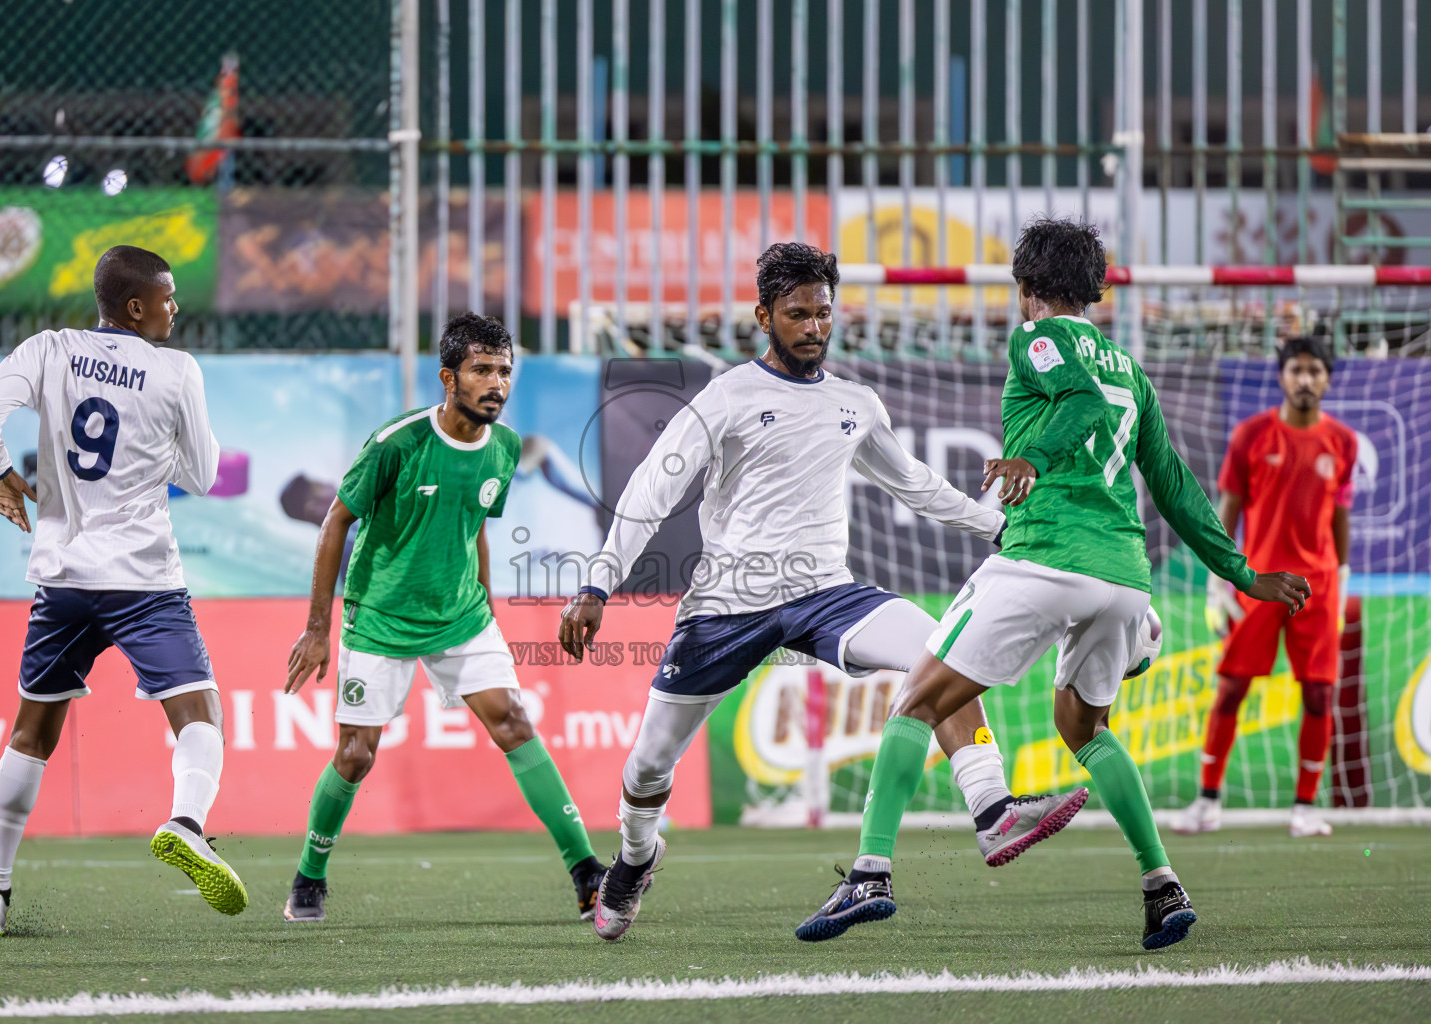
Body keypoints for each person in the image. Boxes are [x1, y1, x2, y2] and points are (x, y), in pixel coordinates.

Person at [793, 217, 1311, 951]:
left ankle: (870, 873)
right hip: (1127, 579)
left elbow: (1079, 402)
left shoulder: (1038, 338)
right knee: (1083, 727)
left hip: (1045, 556)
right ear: (1094, 286)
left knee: (917, 698)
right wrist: (1245, 572)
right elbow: (1173, 486)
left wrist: (1031, 454)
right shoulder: (1131, 368)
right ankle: (1162, 885)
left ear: (1028, 288)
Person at [558, 242, 1088, 943]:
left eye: (823, 313)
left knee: (942, 653)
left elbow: (916, 485)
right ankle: (634, 859)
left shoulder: (855, 404)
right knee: (650, 765)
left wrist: (998, 528)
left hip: (825, 593)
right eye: (797, 314)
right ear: (764, 316)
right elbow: (653, 489)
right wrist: (598, 580)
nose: (813, 327)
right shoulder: (728, 396)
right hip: (727, 604)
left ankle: (991, 808)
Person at [282, 312, 606, 923]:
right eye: (482, 369)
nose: (496, 383)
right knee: (355, 756)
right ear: (448, 377)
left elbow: (474, 523)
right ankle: (310, 874)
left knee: (513, 722)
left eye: (505, 370)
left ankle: (588, 873)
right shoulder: (397, 442)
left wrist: (485, 602)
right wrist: (319, 628)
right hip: (379, 617)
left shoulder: (506, 449)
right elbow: (335, 524)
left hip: (461, 616)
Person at [0, 245, 245, 937]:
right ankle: (185, 822)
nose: (177, 308)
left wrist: (0, 473)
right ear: (137, 306)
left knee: (32, 731)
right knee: (201, 713)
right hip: (144, 581)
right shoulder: (176, 370)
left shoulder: (50, 348)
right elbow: (205, 475)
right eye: (169, 297)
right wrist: (158, 451)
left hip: (62, 577)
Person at [1175, 336, 1355, 839]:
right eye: (1296, 369)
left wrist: (1341, 575)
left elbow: (1340, 514)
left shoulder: (1342, 440)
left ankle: (1304, 808)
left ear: (1327, 378)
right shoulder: (1250, 435)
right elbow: (1226, 512)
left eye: (1315, 371)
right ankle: (1207, 801)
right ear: (1282, 376)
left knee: (1320, 696)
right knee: (1231, 688)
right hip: (1258, 583)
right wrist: (1219, 581)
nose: (1305, 379)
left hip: (1317, 587)